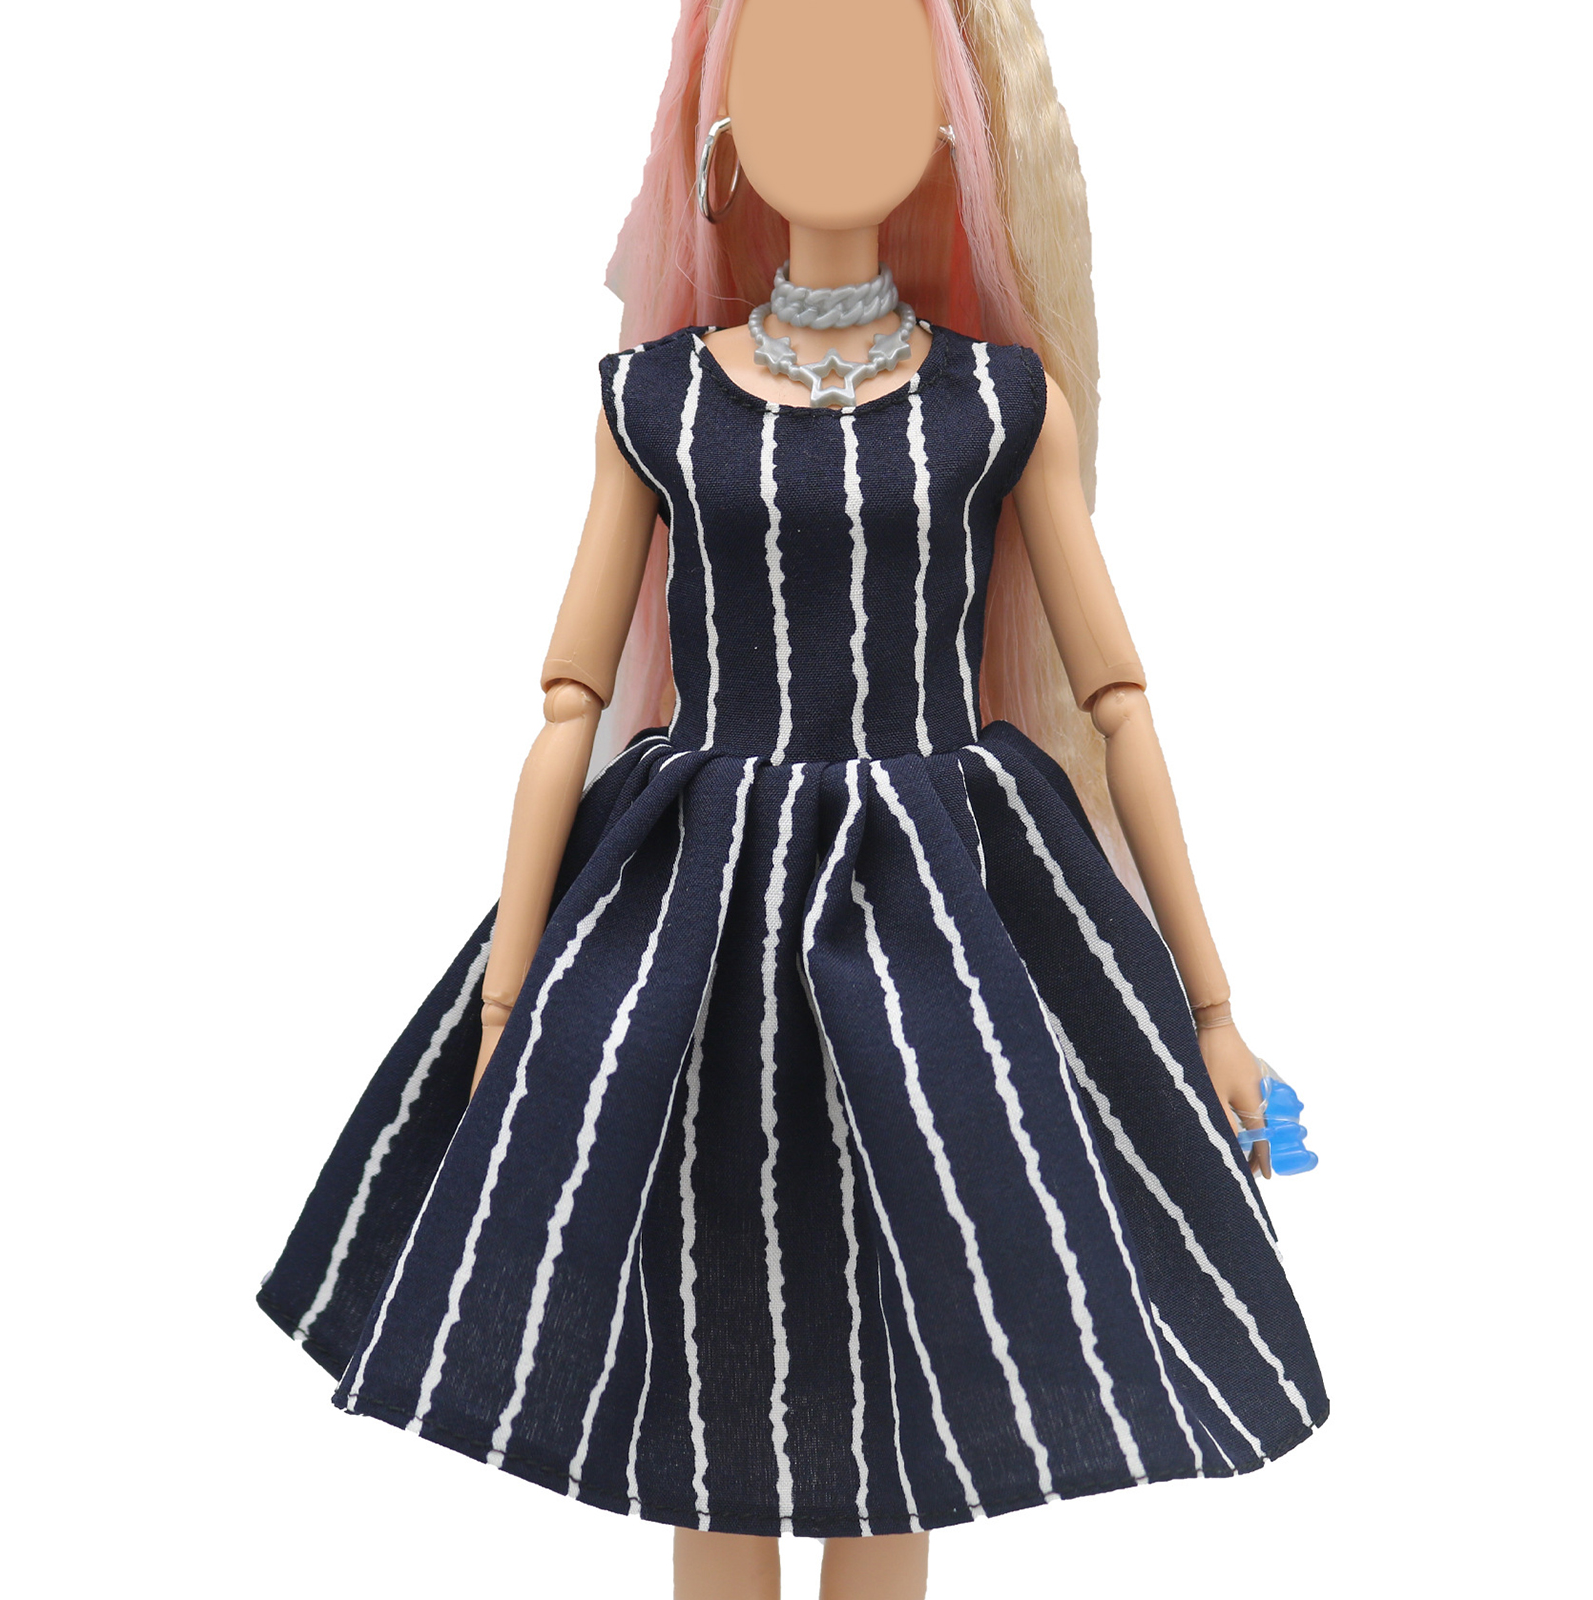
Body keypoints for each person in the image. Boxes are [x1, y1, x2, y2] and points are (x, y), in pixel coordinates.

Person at [258, 3, 1327, 1595]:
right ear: (720, 130)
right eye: (789, 69)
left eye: (879, 69)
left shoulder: (1000, 403)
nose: (834, 105)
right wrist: (507, 996)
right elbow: (566, 700)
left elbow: (1120, 702)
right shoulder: (655, 400)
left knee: (909, 1350)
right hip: (699, 919)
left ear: (953, 127)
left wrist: (1214, 1008)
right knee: (714, 1347)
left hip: (939, 918)